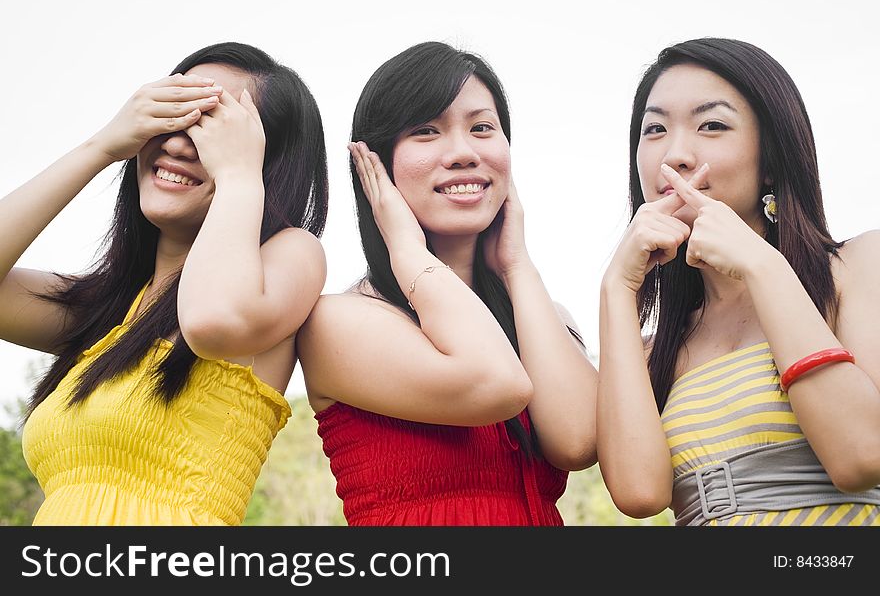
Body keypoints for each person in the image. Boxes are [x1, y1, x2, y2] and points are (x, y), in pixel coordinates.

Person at [7, 41, 329, 525]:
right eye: (170, 115)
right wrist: (101, 147)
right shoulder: (106, 314)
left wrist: (240, 176)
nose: (178, 143)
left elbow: (213, 322)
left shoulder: (289, 257)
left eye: (211, 127)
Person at [297, 41, 597, 526]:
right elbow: (496, 383)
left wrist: (517, 265)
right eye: (426, 131)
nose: (462, 153)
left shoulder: (542, 314)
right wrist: (408, 251)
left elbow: (578, 440)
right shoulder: (337, 321)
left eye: (482, 128)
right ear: (374, 163)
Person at [597, 37, 880, 526]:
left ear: (770, 159)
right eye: (655, 129)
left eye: (712, 125)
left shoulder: (858, 268)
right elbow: (639, 495)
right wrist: (616, 291)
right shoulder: (655, 351)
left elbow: (859, 454)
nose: (676, 154)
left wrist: (761, 264)